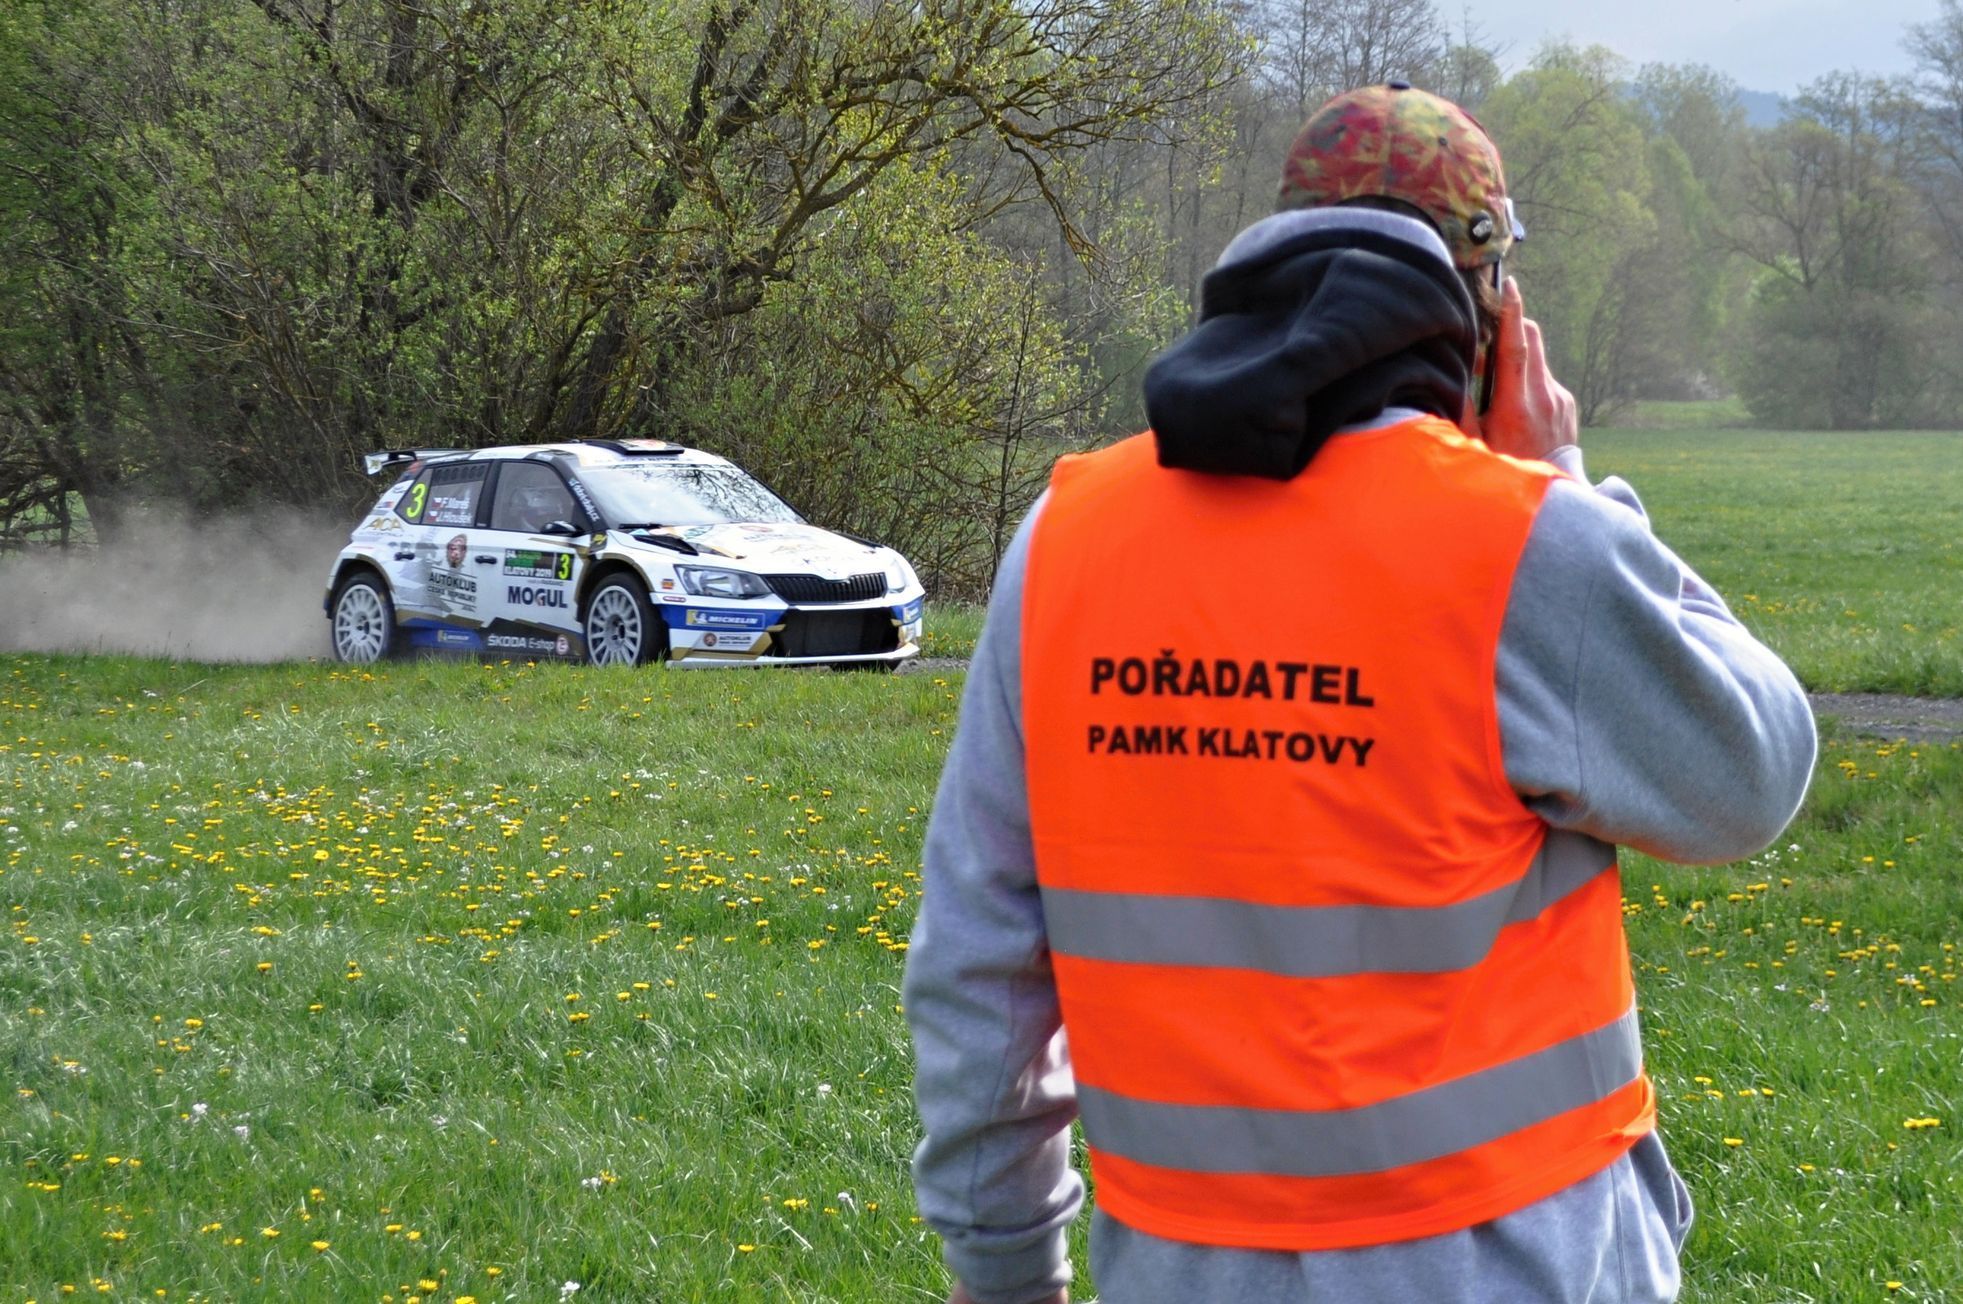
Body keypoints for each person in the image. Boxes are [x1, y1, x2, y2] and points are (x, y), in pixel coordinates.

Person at [903, 84, 1816, 1304]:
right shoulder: (1524, 543)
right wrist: (1568, 483)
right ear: (1487, 308)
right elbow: (1753, 773)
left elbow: (979, 960)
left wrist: (1005, 1269)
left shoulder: (1064, 542)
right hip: (1510, 1263)